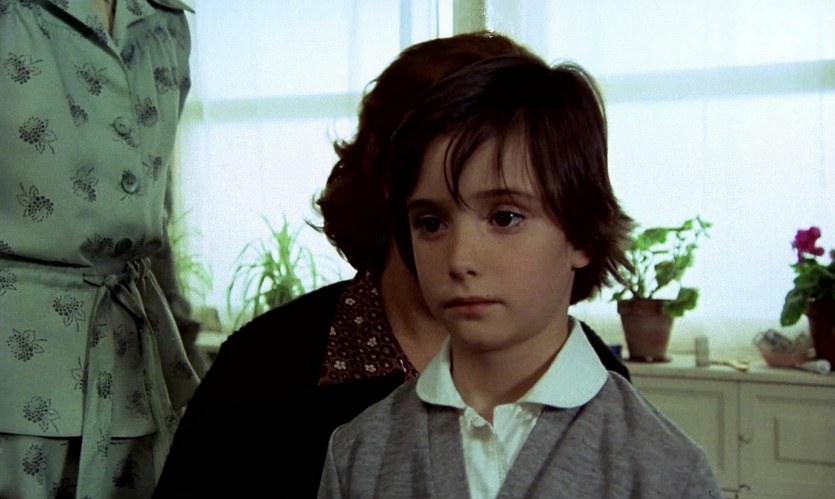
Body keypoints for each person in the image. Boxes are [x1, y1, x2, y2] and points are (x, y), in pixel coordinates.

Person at [154, 32, 630, 498]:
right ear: (389, 175)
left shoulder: (598, 378)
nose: (465, 255)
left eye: (504, 214)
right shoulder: (266, 367)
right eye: (436, 214)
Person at [317, 55, 721, 498]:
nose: (459, 260)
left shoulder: (666, 472)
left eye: (505, 217)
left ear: (583, 234)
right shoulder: (358, 453)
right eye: (431, 223)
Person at [0, 1, 200, 497]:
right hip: (14, 386)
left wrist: (185, 360)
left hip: (135, 380)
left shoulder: (164, 22)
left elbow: (151, 216)